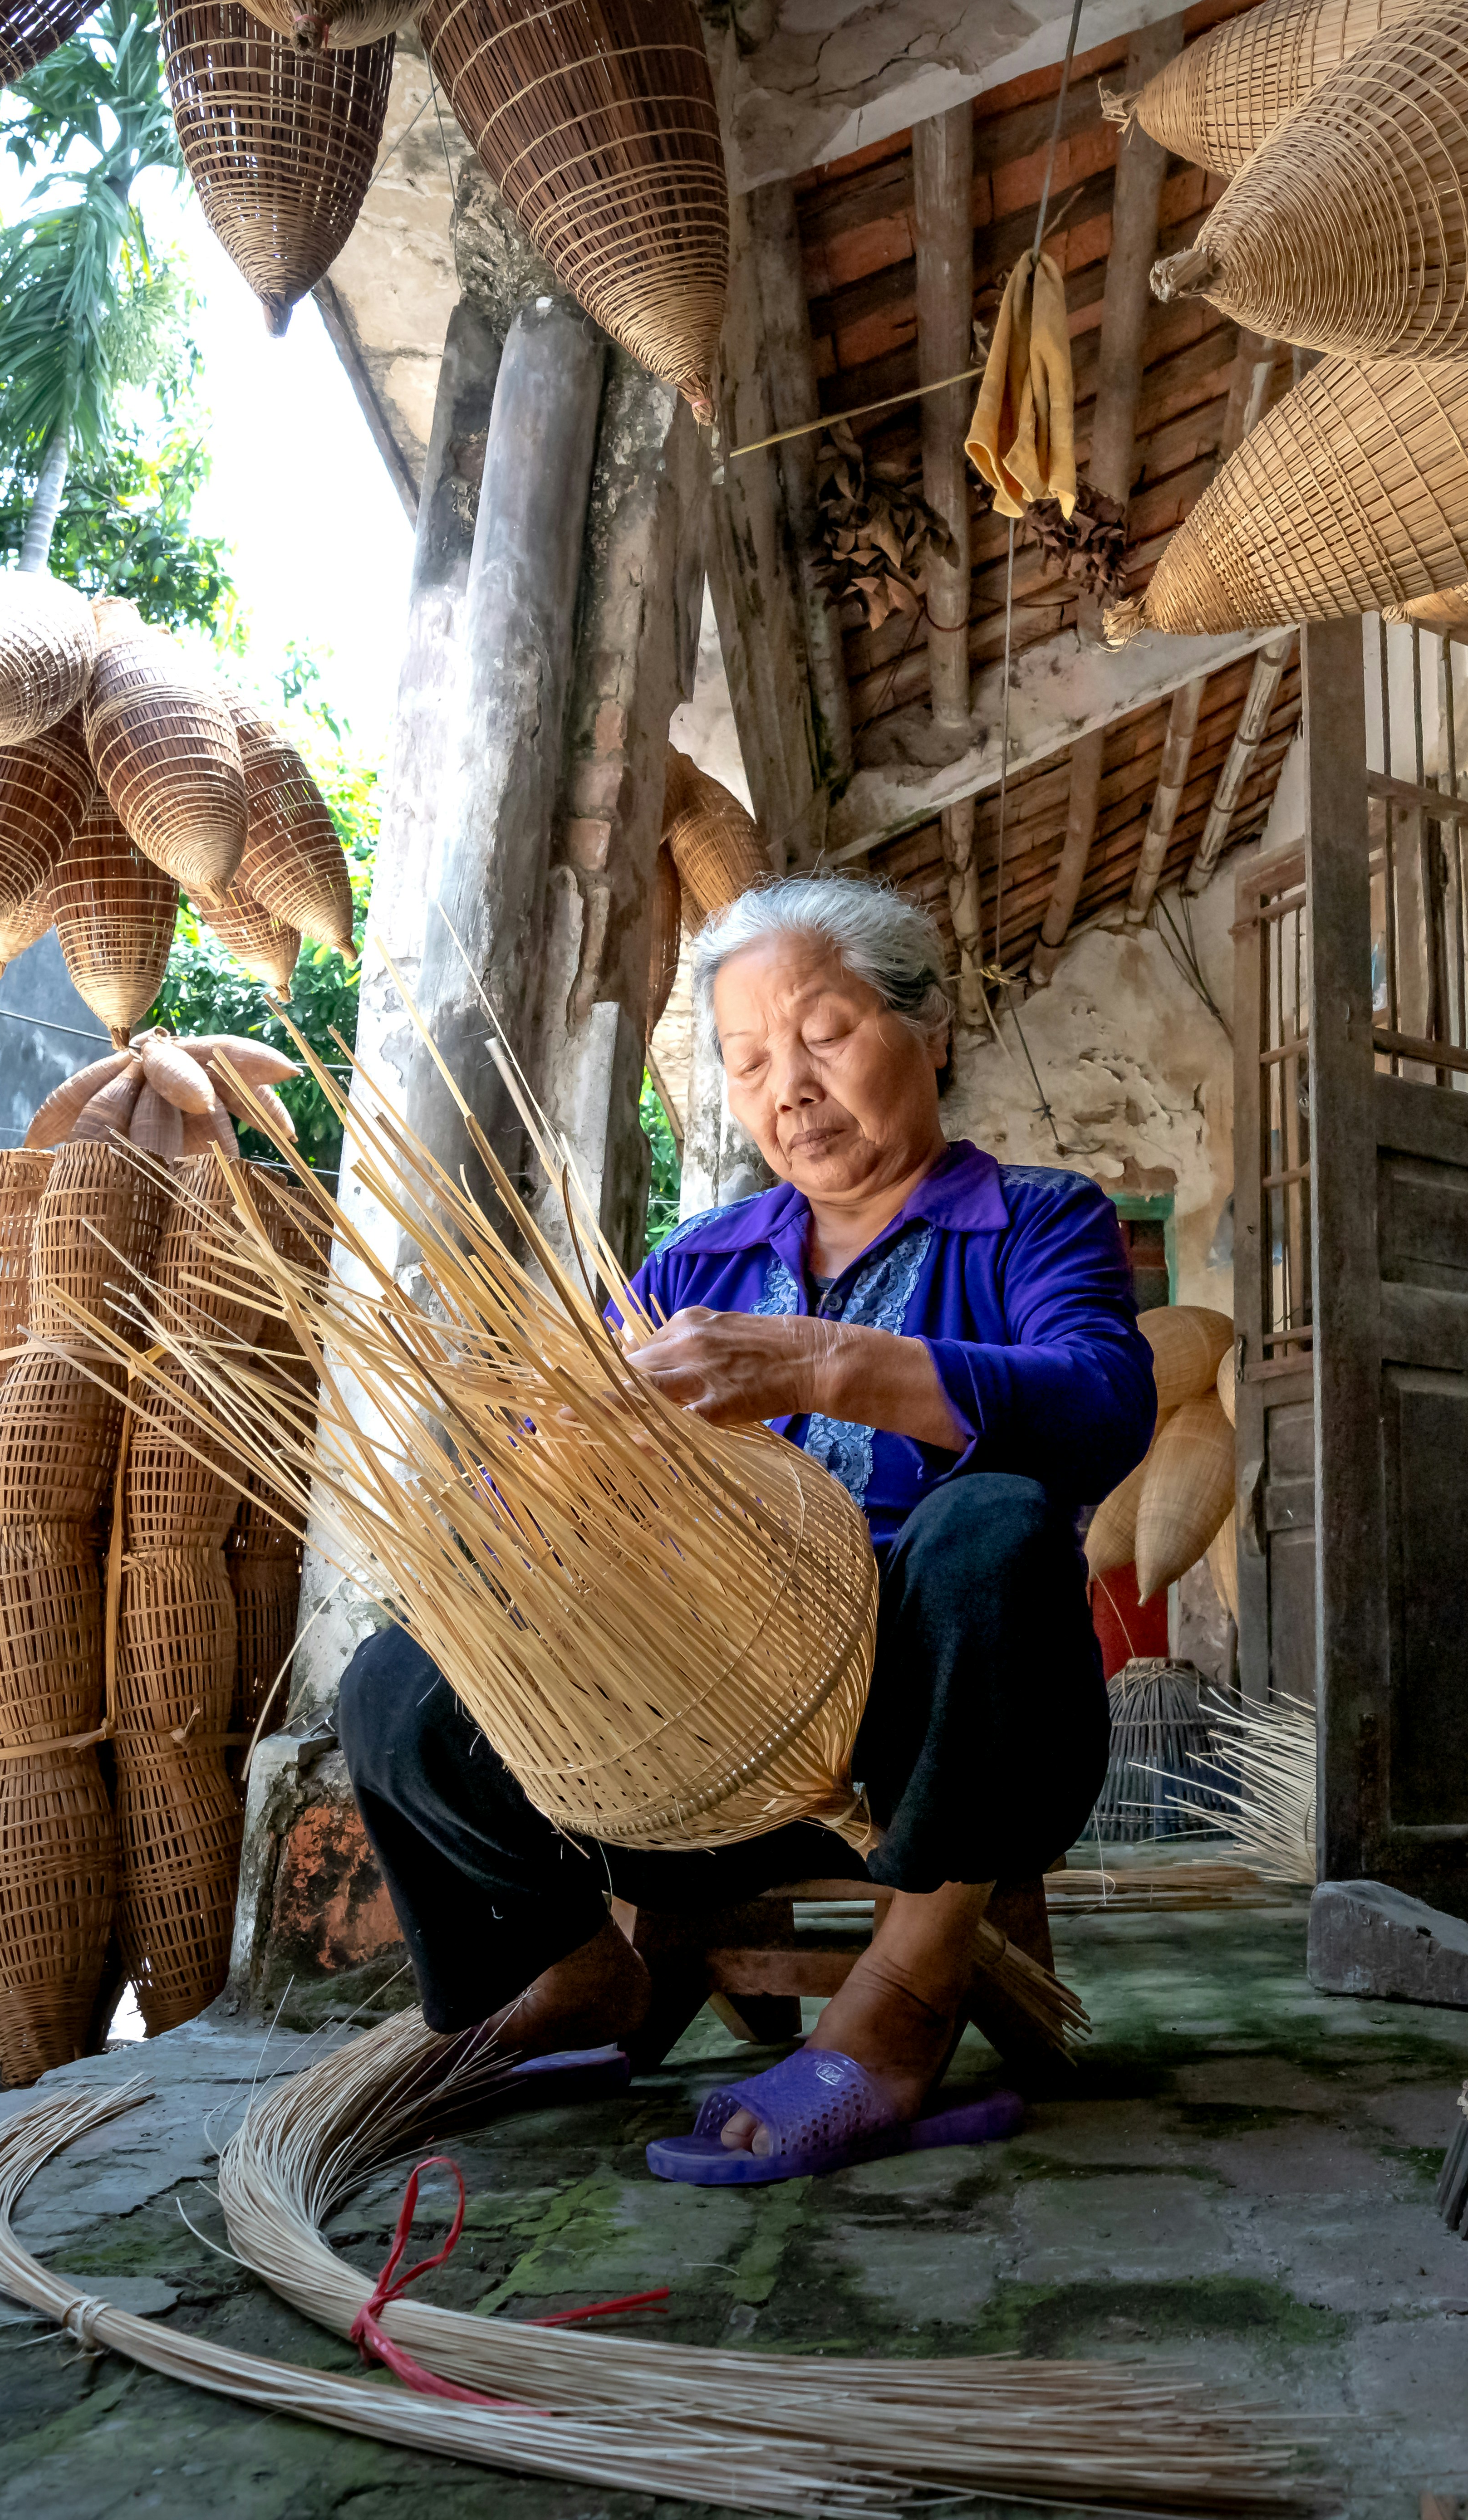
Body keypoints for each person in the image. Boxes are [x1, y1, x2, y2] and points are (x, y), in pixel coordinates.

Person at [337, 874, 1159, 2183]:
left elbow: (1106, 1407)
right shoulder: (692, 1270)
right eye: (747, 1058)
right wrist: (521, 1498)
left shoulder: (1037, 1223)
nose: (790, 1083)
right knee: (405, 1673)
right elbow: (568, 1471)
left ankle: (905, 1985)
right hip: (693, 1753)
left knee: (990, 1526)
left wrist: (825, 1366)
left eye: (824, 1033)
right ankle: (572, 1974)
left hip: (941, 1748)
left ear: (930, 1027)